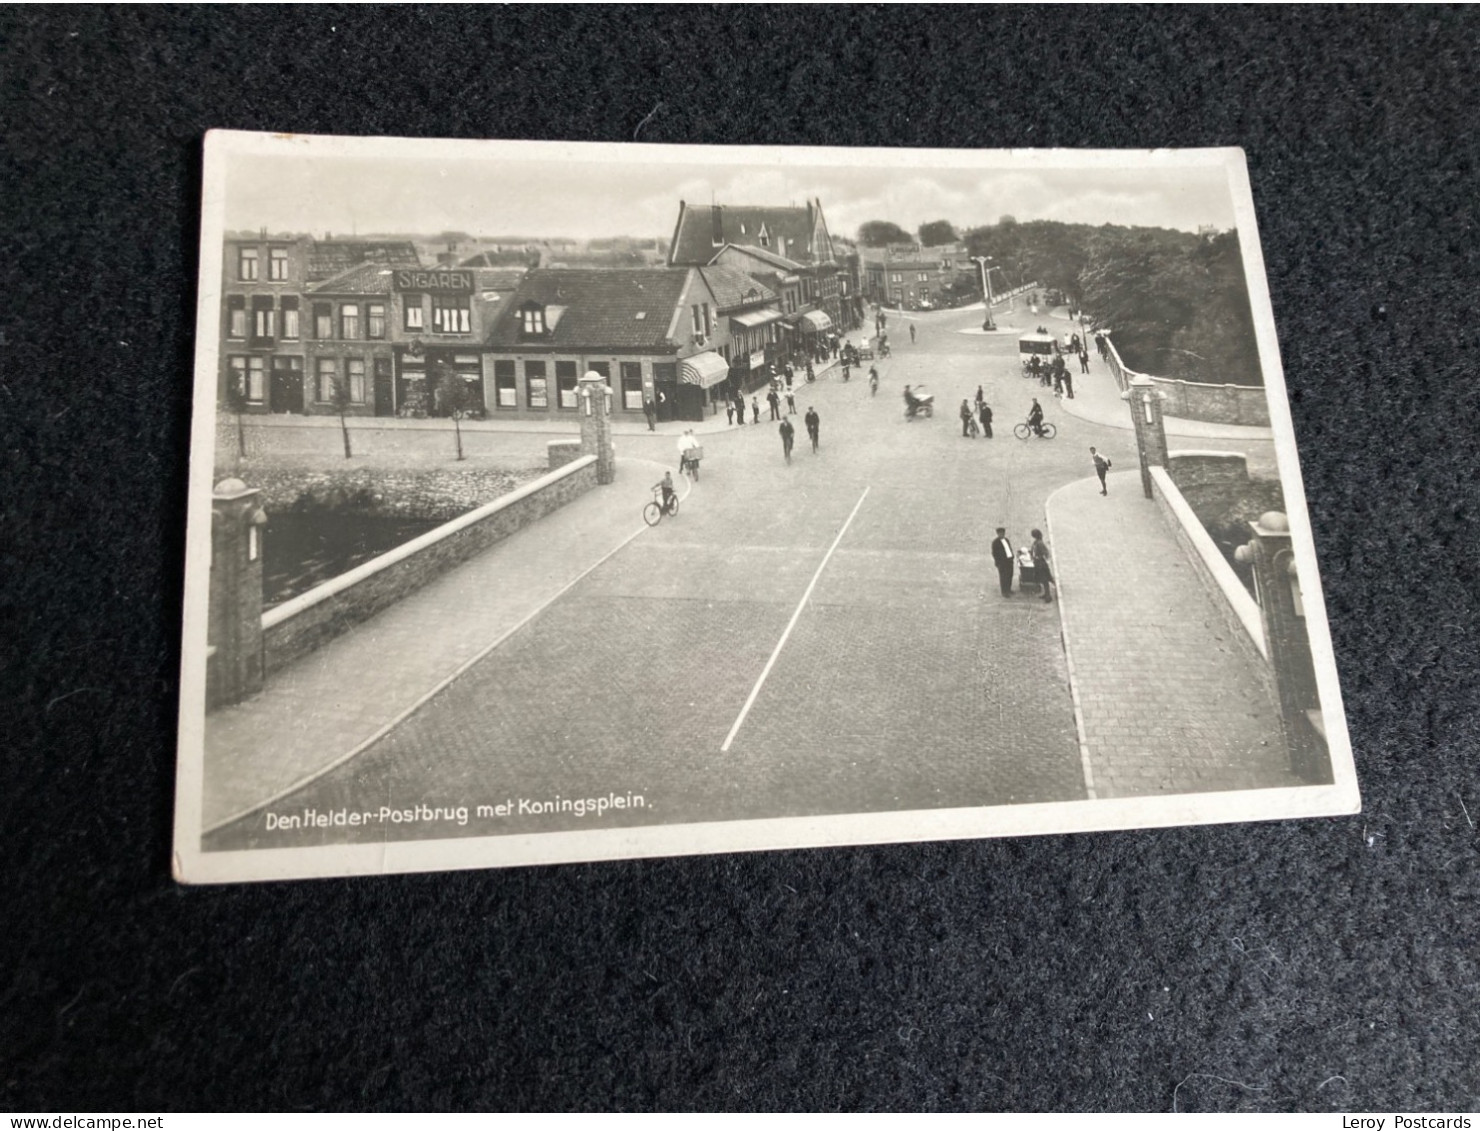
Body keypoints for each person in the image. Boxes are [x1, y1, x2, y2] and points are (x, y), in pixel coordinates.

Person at [1030, 528, 1056, 603]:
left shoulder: (1040, 543)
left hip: (1041, 564)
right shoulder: (1036, 542)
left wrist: (1042, 558)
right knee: (1043, 579)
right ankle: (1046, 594)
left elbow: (1046, 553)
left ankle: (1048, 596)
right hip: (1037, 563)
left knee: (1045, 579)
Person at [990, 528, 1015, 597]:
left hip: (1009, 561)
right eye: (1000, 533)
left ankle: (1009, 589)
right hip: (1002, 563)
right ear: (998, 534)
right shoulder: (995, 542)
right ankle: (1004, 591)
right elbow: (994, 553)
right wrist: (998, 562)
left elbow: (1009, 549)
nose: (1002, 534)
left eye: (1003, 533)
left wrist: (1012, 556)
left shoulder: (1006, 540)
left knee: (1010, 575)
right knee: (1004, 577)